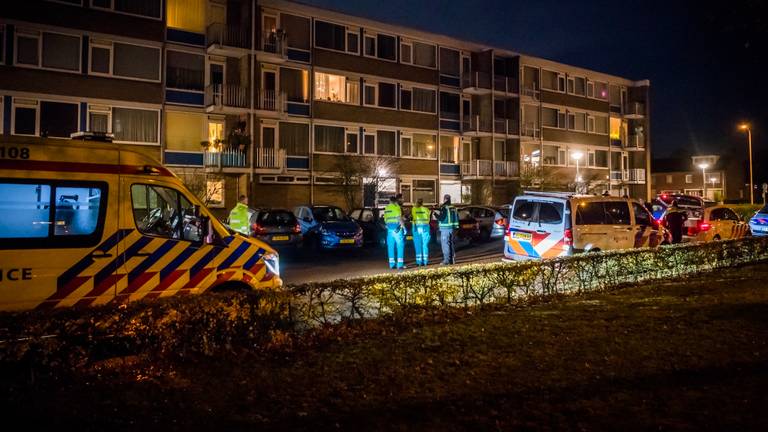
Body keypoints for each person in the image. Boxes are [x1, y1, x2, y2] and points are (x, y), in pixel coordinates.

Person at [383, 195, 406, 269]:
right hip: (397, 229)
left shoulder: (386, 208)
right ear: (395, 201)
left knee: (390, 247)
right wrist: (404, 227)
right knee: (400, 246)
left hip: (389, 230)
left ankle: (392, 264)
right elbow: (399, 218)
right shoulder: (396, 207)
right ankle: (400, 264)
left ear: (390, 201)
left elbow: (385, 220)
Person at [436, 194, 459, 265]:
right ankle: (452, 260)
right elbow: (456, 218)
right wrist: (456, 228)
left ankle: (446, 260)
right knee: (450, 244)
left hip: (445, 229)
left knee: (445, 245)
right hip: (452, 229)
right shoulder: (453, 207)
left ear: (444, 199)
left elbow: (441, 218)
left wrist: (435, 214)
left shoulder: (444, 207)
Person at [411, 198, 431, 266]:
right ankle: (425, 261)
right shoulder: (426, 209)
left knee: (417, 245)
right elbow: (428, 218)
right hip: (425, 228)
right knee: (425, 245)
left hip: (416, 228)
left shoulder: (414, 209)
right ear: (423, 203)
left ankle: (419, 262)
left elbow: (413, 217)